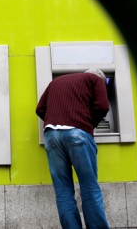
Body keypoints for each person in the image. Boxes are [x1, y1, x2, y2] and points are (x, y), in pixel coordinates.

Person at [36, 68, 110, 229]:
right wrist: (89, 124)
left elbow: (40, 109)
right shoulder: (96, 79)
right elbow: (103, 106)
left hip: (51, 135)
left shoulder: (55, 82)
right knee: (89, 187)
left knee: (63, 191)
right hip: (78, 133)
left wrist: (57, 121)